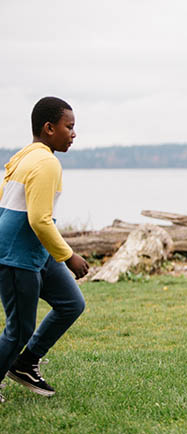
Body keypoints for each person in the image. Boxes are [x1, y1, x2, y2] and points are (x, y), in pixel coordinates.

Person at [0, 96, 89, 403]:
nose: (74, 134)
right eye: (70, 127)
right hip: (16, 256)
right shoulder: (45, 161)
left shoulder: (27, 156)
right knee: (18, 330)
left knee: (71, 303)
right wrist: (69, 256)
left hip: (37, 252)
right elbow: (39, 219)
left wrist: (54, 254)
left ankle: (25, 364)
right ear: (49, 128)